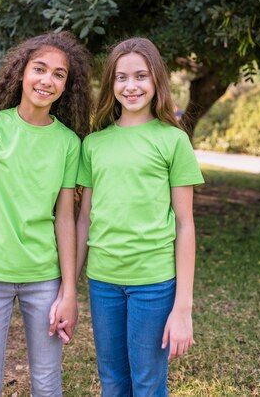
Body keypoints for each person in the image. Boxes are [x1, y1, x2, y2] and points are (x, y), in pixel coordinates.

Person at [0, 32, 91, 397]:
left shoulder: (68, 143)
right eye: (40, 69)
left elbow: (65, 218)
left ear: (67, 85)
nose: (47, 80)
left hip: (45, 281)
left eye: (59, 74)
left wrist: (69, 290)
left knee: (47, 383)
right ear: (21, 72)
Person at [76, 37, 204, 397]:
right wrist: (69, 285)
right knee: (113, 381)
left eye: (140, 76)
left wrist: (183, 307)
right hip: (102, 282)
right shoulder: (94, 144)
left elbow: (185, 224)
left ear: (156, 81)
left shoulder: (173, 141)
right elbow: (84, 219)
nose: (130, 86)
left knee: (148, 383)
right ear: (110, 84)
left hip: (154, 283)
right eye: (121, 77)